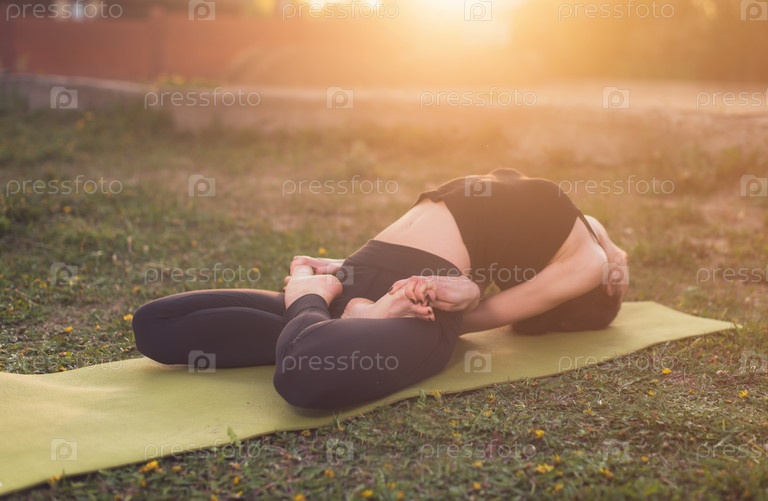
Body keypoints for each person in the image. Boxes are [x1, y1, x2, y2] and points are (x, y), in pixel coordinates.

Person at [132, 168, 629, 409]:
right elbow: (596, 229)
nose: (621, 277)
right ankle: (323, 322)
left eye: (616, 287)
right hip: (361, 271)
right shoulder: (577, 228)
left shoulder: (586, 265)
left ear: (595, 295)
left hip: (414, 306)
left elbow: (478, 318)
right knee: (156, 324)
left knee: (303, 373)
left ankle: (314, 314)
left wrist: (320, 296)